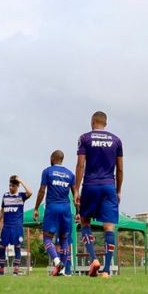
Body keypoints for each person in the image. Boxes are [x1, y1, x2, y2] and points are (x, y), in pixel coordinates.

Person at [75, 111, 123, 278]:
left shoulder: (85, 138)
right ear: (105, 123)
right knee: (109, 226)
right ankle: (107, 270)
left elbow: (80, 165)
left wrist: (76, 189)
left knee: (85, 221)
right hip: (109, 185)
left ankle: (94, 259)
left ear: (92, 121)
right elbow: (120, 168)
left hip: (90, 185)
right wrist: (118, 190)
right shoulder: (116, 140)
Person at [33, 150, 77, 277]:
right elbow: (75, 195)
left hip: (52, 207)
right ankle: (62, 271)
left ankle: (57, 263)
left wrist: (36, 208)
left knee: (47, 238)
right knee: (64, 239)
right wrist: (78, 211)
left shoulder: (47, 171)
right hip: (66, 208)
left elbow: (42, 190)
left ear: (52, 158)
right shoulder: (70, 174)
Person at [0, 175, 31, 276]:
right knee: (2, 247)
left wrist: (21, 180)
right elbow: (2, 211)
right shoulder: (5, 196)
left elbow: (30, 192)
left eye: (13, 186)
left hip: (17, 227)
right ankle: (1, 271)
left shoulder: (21, 196)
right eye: (10, 186)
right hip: (6, 227)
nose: (11, 188)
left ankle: (16, 271)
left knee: (17, 247)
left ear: (17, 186)